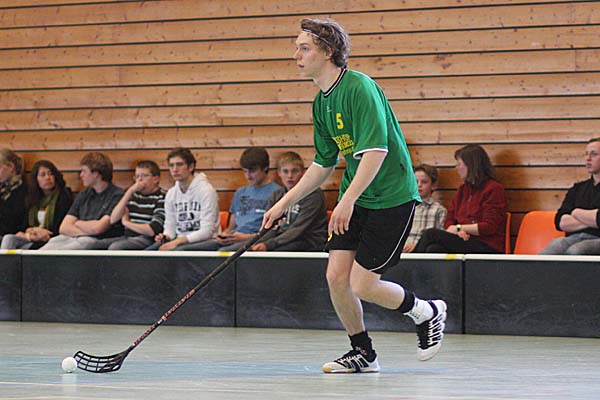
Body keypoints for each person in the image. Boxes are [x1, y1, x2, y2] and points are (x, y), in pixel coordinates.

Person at [261, 18, 447, 374]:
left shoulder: (360, 87)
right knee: (336, 278)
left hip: (391, 196)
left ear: (328, 52)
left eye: (304, 48)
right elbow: (323, 164)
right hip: (358, 195)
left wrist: (346, 200)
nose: (296, 55)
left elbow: (376, 151)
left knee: (362, 284)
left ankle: (427, 311)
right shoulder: (321, 103)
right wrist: (284, 203)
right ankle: (363, 352)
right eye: (296, 48)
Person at [414, 144, 507, 254]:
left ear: (470, 165)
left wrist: (460, 228)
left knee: (430, 234)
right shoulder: (463, 190)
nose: (456, 168)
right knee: (434, 249)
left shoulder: (494, 189)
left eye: (459, 164)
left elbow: (489, 226)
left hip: (486, 244)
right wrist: (458, 231)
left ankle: (409, 263)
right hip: (464, 239)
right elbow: (450, 218)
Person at [194, 147, 281, 251]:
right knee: (186, 250)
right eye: (245, 171)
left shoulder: (277, 192)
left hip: (255, 240)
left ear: (265, 168)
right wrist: (224, 235)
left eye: (252, 171)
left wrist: (243, 238)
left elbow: (272, 233)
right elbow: (231, 227)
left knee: (222, 253)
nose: (248, 176)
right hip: (234, 238)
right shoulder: (240, 193)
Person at [39, 152, 124, 250]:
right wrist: (87, 230)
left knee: (82, 243)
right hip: (79, 236)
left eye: (84, 171)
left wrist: (78, 223)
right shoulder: (84, 194)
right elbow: (63, 227)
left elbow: (99, 228)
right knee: (55, 241)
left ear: (96, 174)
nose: (81, 175)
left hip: (101, 239)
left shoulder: (116, 195)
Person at [250, 151, 327, 252]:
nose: (290, 176)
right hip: (282, 239)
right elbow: (270, 227)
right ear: (279, 173)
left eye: (295, 171)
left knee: (274, 253)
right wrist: (256, 243)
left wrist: (268, 245)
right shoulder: (276, 195)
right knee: (237, 250)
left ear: (303, 172)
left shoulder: (313, 194)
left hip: (309, 241)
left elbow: (298, 229)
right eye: (285, 171)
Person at [146, 148, 219, 251]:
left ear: (191, 167)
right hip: (180, 240)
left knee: (178, 252)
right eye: (171, 165)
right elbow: (170, 226)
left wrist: (178, 241)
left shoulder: (206, 191)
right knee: (148, 252)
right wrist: (166, 237)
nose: (175, 169)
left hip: (207, 241)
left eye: (179, 164)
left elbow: (207, 231)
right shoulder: (171, 194)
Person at [540, 138, 600, 255]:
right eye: (586, 154)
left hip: (596, 239)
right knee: (554, 246)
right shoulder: (577, 188)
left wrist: (576, 213)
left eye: (594, 154)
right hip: (574, 237)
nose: (588, 158)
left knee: (577, 250)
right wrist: (593, 219)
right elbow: (560, 222)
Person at [1, 160, 73, 250]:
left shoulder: (63, 196)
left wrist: (40, 234)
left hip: (52, 239)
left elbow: (61, 226)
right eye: (43, 175)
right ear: (36, 179)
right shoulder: (32, 198)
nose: (48, 178)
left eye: (51, 174)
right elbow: (24, 225)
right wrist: (31, 231)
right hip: (33, 238)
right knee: (8, 238)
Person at [107, 160, 167, 250]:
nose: (139, 180)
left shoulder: (162, 196)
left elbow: (151, 230)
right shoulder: (133, 195)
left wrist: (126, 223)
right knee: (93, 245)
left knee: (115, 247)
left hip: (147, 239)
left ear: (156, 179)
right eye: (137, 176)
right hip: (127, 237)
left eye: (144, 176)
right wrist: (129, 191)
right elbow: (113, 219)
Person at [403, 164, 447, 253]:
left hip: (422, 250)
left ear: (433, 185)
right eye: (415, 181)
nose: (419, 185)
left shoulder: (439, 210)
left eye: (424, 182)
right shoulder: (404, 208)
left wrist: (417, 245)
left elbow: (439, 237)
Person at [0, 148, 27, 239]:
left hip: (10, 236)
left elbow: (12, 223)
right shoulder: (3, 188)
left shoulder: (21, 190)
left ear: (11, 167)